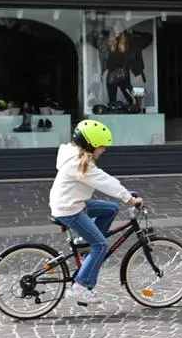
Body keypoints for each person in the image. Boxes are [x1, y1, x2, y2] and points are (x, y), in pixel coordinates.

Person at [49, 119, 143, 305]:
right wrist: (129, 199)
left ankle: (85, 243)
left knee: (111, 209)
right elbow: (104, 182)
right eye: (101, 146)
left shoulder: (77, 158)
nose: (104, 150)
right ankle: (80, 286)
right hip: (69, 210)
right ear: (90, 145)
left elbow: (104, 178)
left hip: (72, 203)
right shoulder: (79, 163)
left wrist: (124, 194)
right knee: (100, 245)